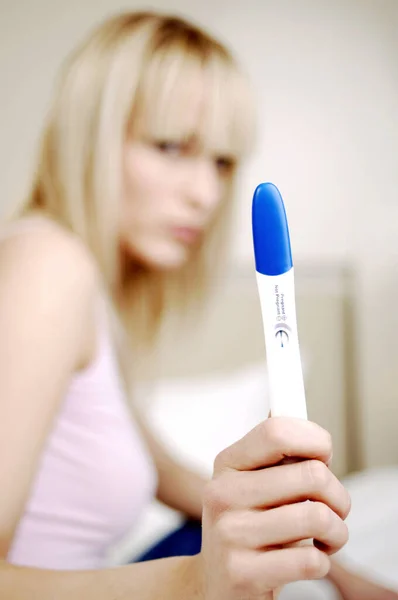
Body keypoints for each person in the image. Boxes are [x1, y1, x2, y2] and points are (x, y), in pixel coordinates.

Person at [0, 9, 394, 599]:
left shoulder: (93, 297)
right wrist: (194, 578)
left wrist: (344, 579)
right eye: (170, 146)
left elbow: (174, 478)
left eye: (221, 162)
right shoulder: (49, 266)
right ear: (91, 138)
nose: (205, 194)